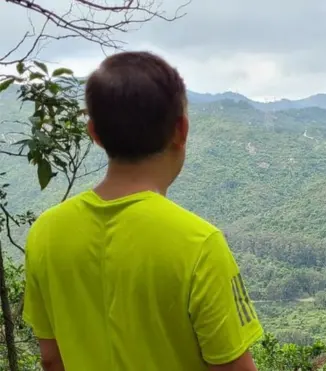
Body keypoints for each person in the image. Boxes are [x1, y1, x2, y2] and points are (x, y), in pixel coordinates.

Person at [22, 51, 263, 371]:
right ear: (181, 129)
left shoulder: (45, 232)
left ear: (94, 133)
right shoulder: (199, 244)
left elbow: (52, 359)